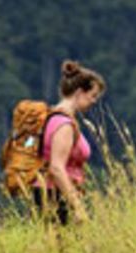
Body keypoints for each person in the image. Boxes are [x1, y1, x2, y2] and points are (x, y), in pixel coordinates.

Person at [42, 59, 105, 223]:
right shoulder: (64, 125)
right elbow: (56, 167)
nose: (94, 101)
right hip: (57, 196)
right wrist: (77, 206)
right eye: (92, 95)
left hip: (49, 193)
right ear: (79, 92)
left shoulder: (51, 117)